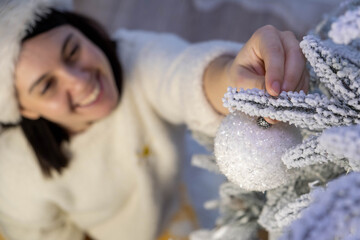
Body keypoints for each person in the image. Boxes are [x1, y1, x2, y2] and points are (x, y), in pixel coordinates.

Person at [0, 0, 309, 240]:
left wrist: (232, 80)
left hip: (181, 205)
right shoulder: (13, 173)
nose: (79, 82)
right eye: (47, 85)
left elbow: (182, 75)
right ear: (23, 108)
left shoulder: (135, 58)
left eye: (72, 51)